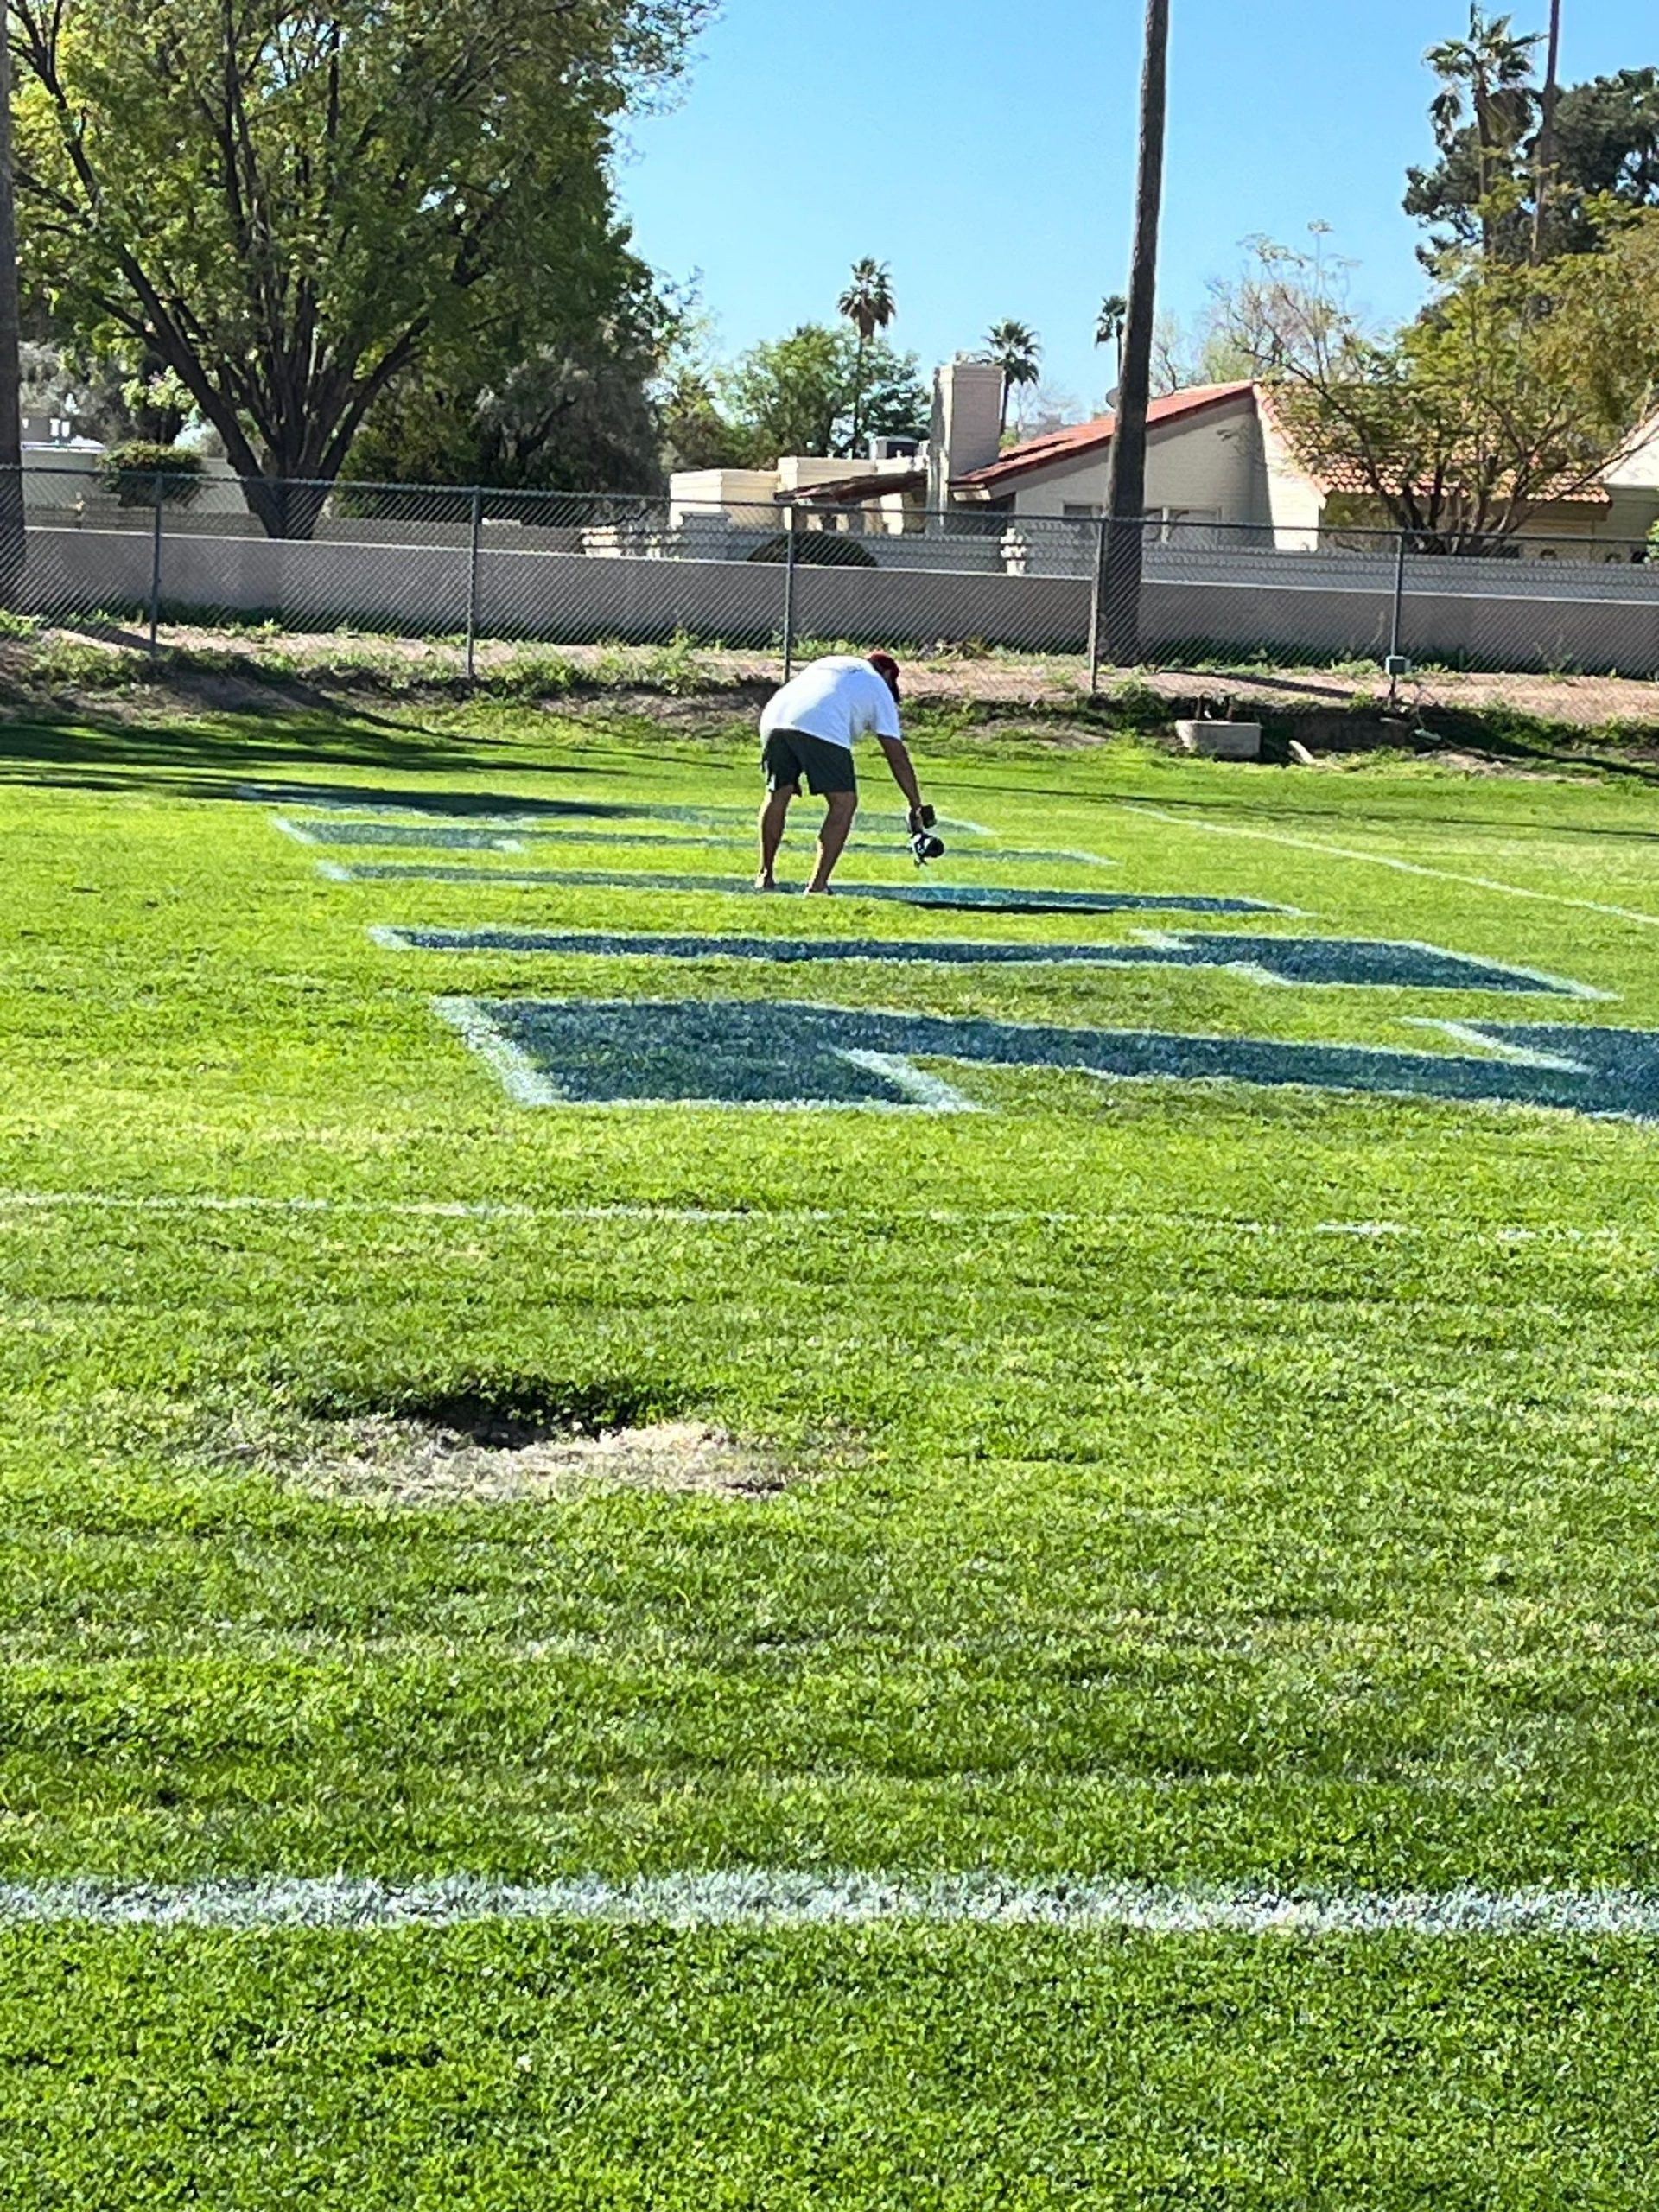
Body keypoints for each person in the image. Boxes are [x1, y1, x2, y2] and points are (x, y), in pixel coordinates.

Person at [756, 651, 931, 895]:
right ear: (889, 674)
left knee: (777, 794)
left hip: (774, 718)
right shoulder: (878, 685)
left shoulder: (830, 662)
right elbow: (896, 755)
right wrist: (916, 804)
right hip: (821, 724)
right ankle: (817, 886)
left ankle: (765, 875)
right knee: (844, 803)